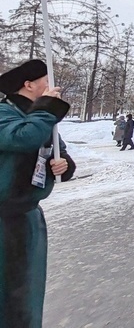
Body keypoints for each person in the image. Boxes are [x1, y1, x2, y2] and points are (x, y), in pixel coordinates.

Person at [0, 59, 76, 328]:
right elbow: (23, 137)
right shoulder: (4, 114)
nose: (51, 85)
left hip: (29, 217)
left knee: (27, 290)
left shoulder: (43, 117)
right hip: (3, 219)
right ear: (29, 84)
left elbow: (58, 152)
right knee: (6, 292)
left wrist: (63, 165)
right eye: (45, 79)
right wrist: (47, 110)